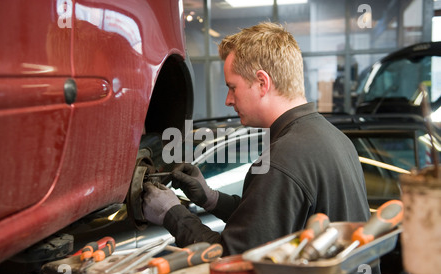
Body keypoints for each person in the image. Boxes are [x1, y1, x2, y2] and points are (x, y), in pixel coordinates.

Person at [142, 22, 370, 258]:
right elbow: (270, 226)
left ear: (262, 83)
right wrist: (211, 199)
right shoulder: (334, 138)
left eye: (233, 87)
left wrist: (171, 213)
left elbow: (235, 259)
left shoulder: (284, 159)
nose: (228, 100)